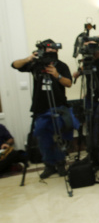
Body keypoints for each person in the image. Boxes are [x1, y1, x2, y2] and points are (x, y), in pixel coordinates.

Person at [11, 39, 75, 179]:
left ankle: (60, 163)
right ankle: (49, 165)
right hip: (40, 107)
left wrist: (56, 75)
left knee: (59, 136)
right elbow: (15, 65)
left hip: (58, 106)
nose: (53, 52)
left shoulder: (61, 66)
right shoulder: (35, 65)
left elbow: (69, 83)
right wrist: (29, 58)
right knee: (43, 137)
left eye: (55, 50)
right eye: (49, 50)